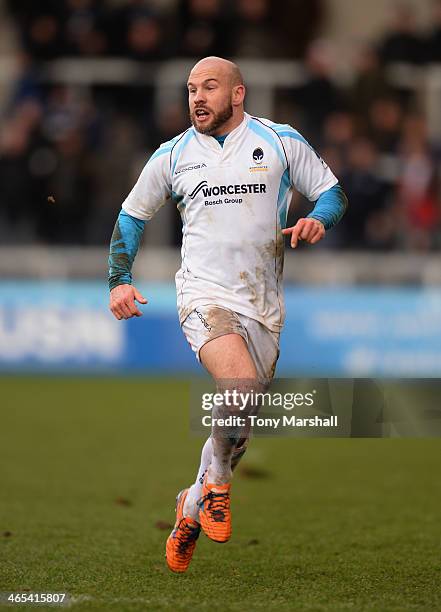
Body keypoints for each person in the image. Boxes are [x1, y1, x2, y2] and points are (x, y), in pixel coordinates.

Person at [108, 56, 347, 573]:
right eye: (192, 88)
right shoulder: (173, 156)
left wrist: (317, 220)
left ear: (237, 94)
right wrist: (119, 279)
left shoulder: (279, 141)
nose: (197, 97)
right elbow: (131, 215)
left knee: (238, 426)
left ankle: (191, 503)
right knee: (237, 383)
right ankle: (216, 489)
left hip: (263, 304)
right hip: (203, 296)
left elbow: (332, 192)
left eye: (209, 87)